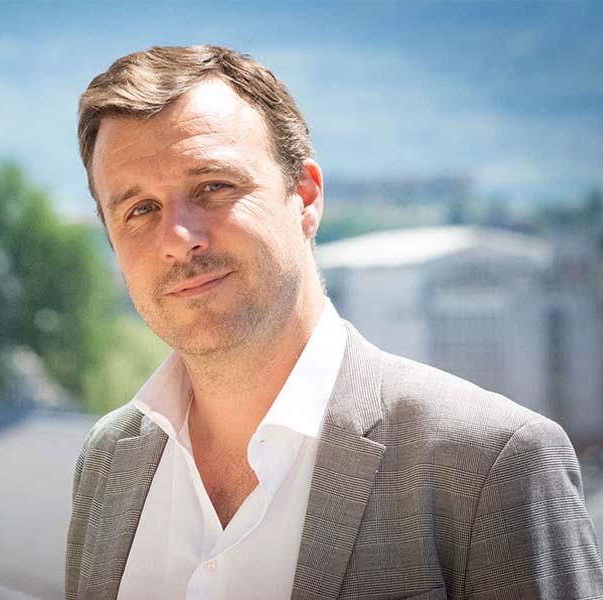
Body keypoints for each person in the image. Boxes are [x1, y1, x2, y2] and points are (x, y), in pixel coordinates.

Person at [65, 45, 603, 599]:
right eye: (140, 209)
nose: (179, 240)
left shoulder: (490, 465)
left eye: (213, 186)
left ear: (305, 196)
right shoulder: (108, 462)